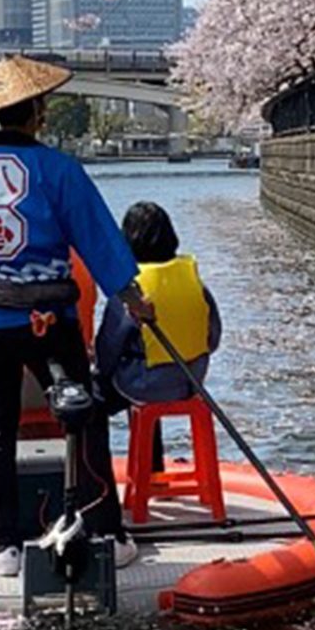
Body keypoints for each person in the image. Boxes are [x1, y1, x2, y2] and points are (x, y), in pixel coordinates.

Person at [0, 54, 154, 577]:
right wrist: (131, 299)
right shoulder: (59, 169)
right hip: (51, 318)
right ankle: (107, 531)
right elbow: (97, 237)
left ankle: (2, 547)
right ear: (37, 110)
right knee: (82, 421)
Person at [95, 201, 222, 471]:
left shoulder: (131, 289)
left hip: (146, 384)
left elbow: (108, 349)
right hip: (191, 380)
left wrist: (97, 371)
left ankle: (98, 479)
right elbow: (213, 338)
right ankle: (151, 468)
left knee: (90, 402)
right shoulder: (193, 280)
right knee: (141, 377)